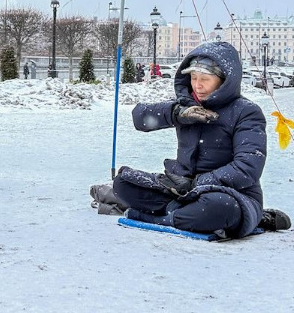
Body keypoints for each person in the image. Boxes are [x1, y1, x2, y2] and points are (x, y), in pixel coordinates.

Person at [113, 42, 290, 237]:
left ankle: (160, 217)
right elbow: (140, 117)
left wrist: (197, 183)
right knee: (123, 183)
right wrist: (176, 113)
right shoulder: (187, 106)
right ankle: (181, 214)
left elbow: (247, 168)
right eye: (194, 77)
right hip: (180, 190)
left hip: (230, 194)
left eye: (205, 79)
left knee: (217, 208)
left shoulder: (246, 112)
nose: (197, 85)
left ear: (224, 81)